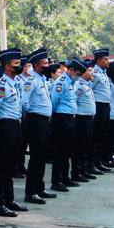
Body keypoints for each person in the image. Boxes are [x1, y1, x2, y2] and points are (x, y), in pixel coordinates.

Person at [0, 48, 27, 218]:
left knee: (11, 165)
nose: (19, 66)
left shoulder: (16, 83)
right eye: (16, 63)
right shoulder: (1, 86)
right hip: (4, 127)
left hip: (15, 125)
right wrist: (0, 128)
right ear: (7, 66)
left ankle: (9, 200)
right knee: (1, 167)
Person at [20, 48, 55, 204]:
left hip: (45, 122)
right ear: (36, 65)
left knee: (42, 157)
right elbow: (24, 102)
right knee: (35, 158)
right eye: (45, 63)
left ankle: (39, 188)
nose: (48, 65)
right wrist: (32, 114)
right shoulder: (31, 80)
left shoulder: (42, 79)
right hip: (36, 121)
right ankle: (31, 192)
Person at [48, 56, 78, 192]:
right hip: (61, 119)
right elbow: (53, 101)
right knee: (60, 152)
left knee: (67, 151)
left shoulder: (70, 83)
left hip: (69, 119)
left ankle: (65, 178)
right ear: (71, 71)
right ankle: (56, 181)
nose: (79, 77)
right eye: (78, 74)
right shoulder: (61, 82)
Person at [70, 59, 96, 182]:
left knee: (86, 146)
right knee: (79, 147)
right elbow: (75, 101)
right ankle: (76, 172)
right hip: (81, 119)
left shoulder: (86, 84)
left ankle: (83, 170)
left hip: (89, 119)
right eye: (89, 71)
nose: (92, 73)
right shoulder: (78, 85)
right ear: (84, 72)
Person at [89, 48, 113, 173]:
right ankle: (92, 164)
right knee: (96, 136)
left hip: (105, 107)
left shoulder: (103, 73)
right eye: (106, 59)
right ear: (98, 60)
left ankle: (99, 161)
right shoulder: (95, 73)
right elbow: (88, 90)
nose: (108, 62)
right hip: (98, 107)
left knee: (103, 135)